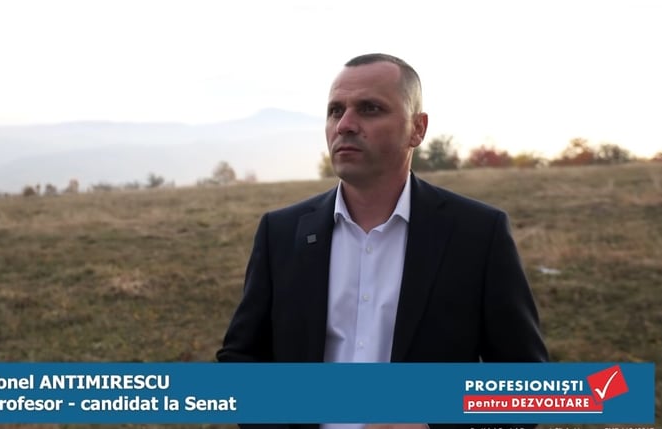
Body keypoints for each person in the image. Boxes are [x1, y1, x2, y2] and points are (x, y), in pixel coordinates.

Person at [216, 53, 549, 428]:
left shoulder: (478, 234)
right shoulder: (281, 232)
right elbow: (240, 360)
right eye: (335, 111)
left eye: (370, 109)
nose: (345, 125)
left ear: (417, 129)